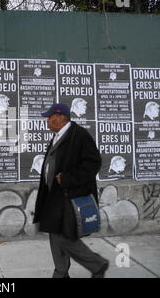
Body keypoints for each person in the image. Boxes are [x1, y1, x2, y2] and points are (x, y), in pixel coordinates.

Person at [33, 103, 109, 278]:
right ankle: (62, 271)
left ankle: (95, 265)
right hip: (54, 196)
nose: (47, 121)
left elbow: (93, 163)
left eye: (49, 117)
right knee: (54, 234)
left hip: (69, 196)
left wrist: (68, 178)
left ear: (60, 117)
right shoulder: (59, 135)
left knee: (65, 237)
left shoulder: (79, 135)